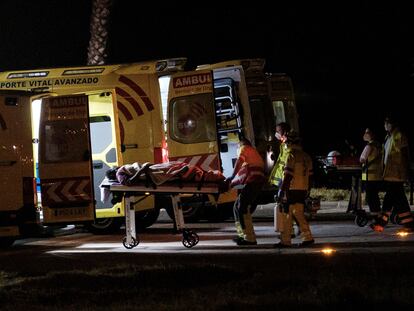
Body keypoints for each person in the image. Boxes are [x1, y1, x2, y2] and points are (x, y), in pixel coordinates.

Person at [370, 117, 414, 232]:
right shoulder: (388, 137)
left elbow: (405, 154)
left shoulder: (399, 135)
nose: (385, 125)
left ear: (392, 124)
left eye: (387, 123)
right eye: (385, 123)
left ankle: (381, 222)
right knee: (397, 198)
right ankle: (407, 223)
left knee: (391, 198)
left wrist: (408, 170)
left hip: (397, 173)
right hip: (389, 174)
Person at [274, 131, 315, 247]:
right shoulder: (306, 156)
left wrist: (282, 190)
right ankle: (307, 237)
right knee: (299, 213)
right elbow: (311, 176)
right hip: (302, 189)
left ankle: (285, 241)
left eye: (286, 142)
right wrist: (308, 190)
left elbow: (288, 175)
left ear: (290, 142)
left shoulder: (291, 155)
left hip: (291, 189)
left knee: (286, 215)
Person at [226, 137, 265, 246]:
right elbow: (243, 174)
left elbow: (239, 163)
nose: (237, 149)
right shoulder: (253, 153)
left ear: (241, 144)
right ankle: (242, 235)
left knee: (241, 207)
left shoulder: (244, 148)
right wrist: (232, 183)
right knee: (237, 206)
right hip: (255, 182)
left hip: (254, 182)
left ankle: (249, 238)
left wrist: (231, 178)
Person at [268, 122, 296, 237]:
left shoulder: (288, 145)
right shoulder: (284, 144)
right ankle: (289, 229)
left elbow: (287, 163)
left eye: (278, 131)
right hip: (283, 180)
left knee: (286, 206)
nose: (276, 134)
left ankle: (289, 230)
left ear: (284, 132)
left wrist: (283, 184)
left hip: (285, 180)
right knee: (285, 206)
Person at [359, 128, 383, 216]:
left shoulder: (369, 146)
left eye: (367, 133)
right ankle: (378, 212)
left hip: (369, 175)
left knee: (370, 196)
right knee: (375, 196)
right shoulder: (379, 146)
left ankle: (375, 215)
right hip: (377, 175)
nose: (365, 134)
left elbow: (362, 159)